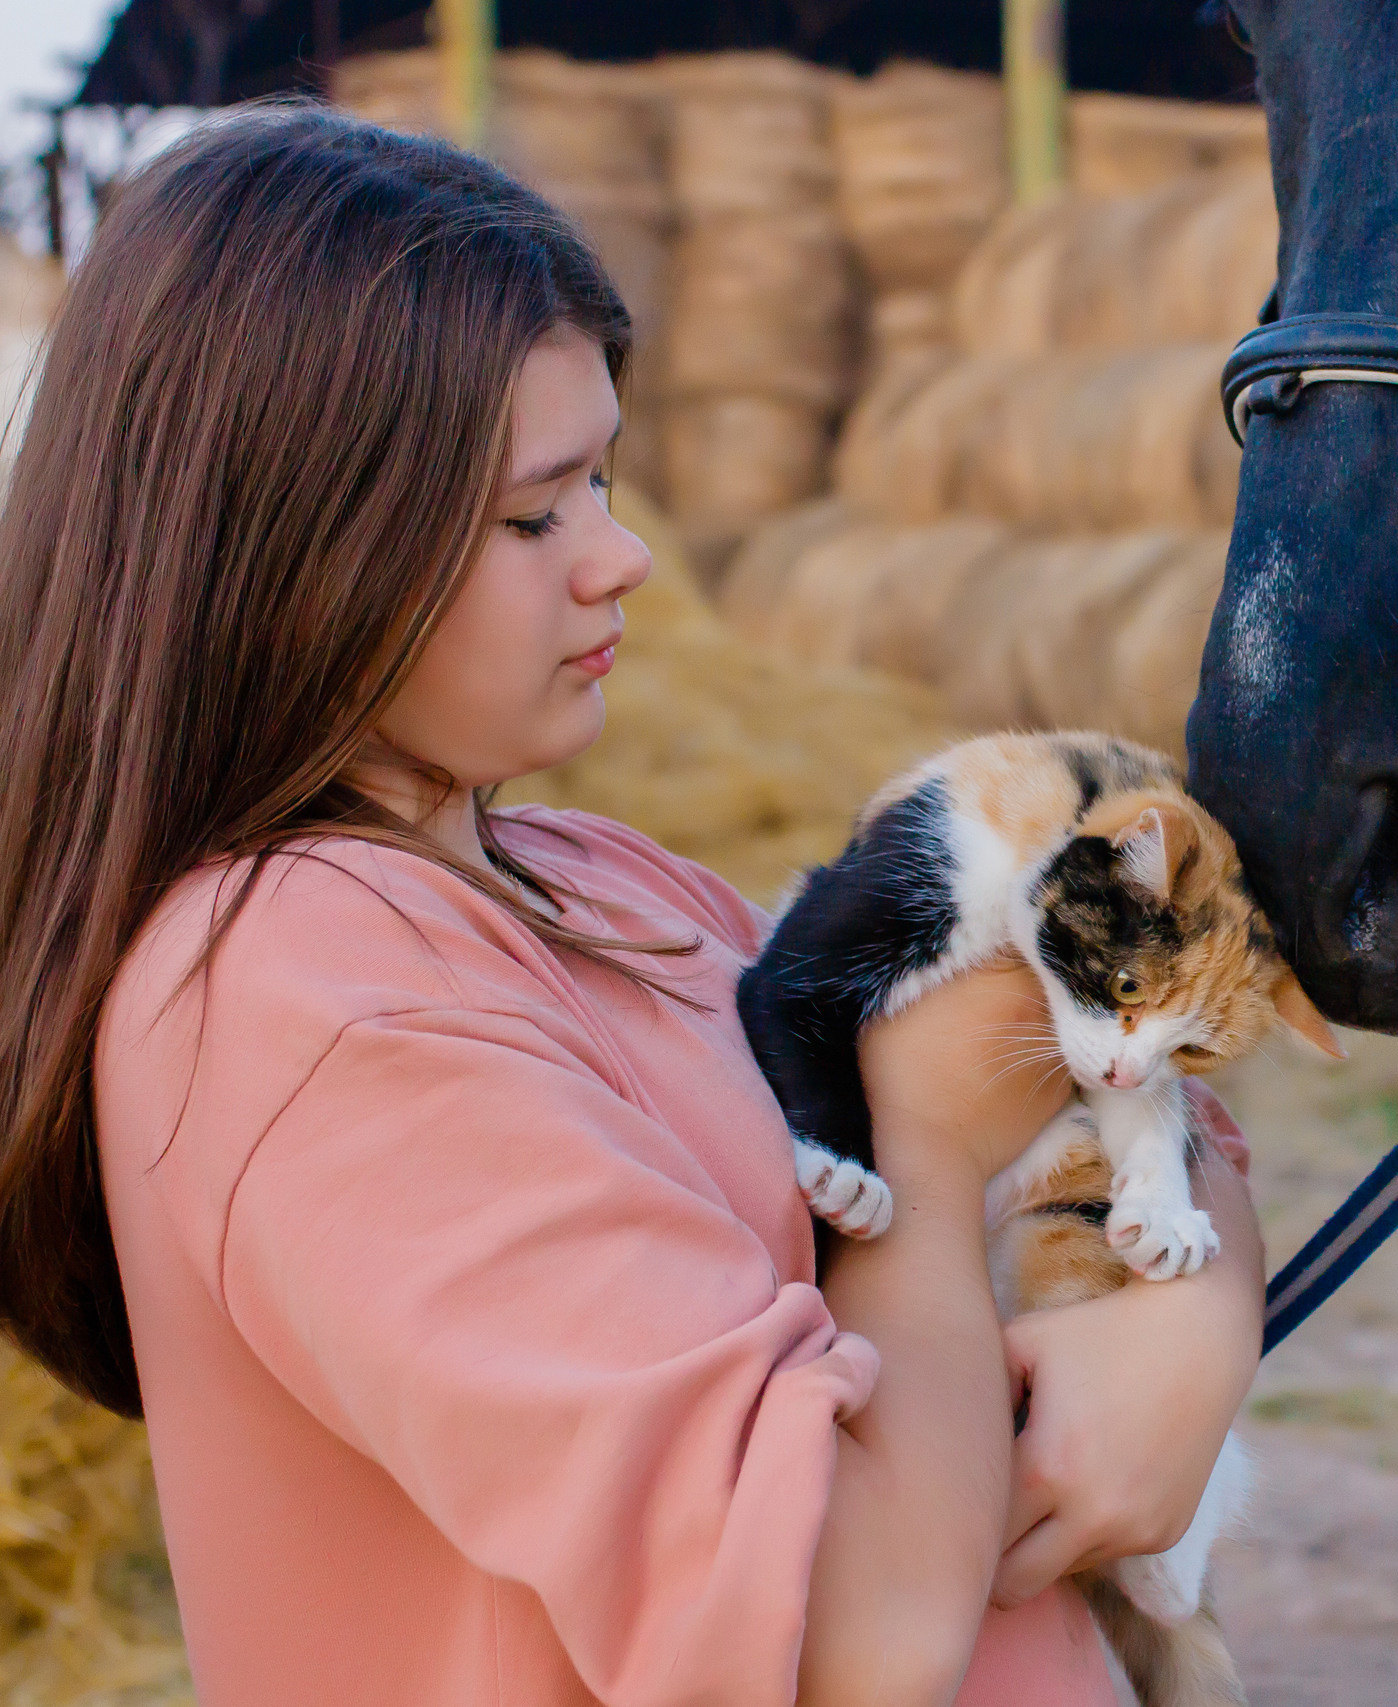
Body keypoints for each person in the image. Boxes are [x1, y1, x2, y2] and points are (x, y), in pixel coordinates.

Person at [0, 107, 1266, 1706]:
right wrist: (923, 1155)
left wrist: (1186, 1336)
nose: (626, 557)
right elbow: (858, 1637)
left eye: (606, 475)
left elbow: (1139, 1101)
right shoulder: (304, 1001)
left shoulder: (601, 886)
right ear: (289, 549)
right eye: (535, 515)